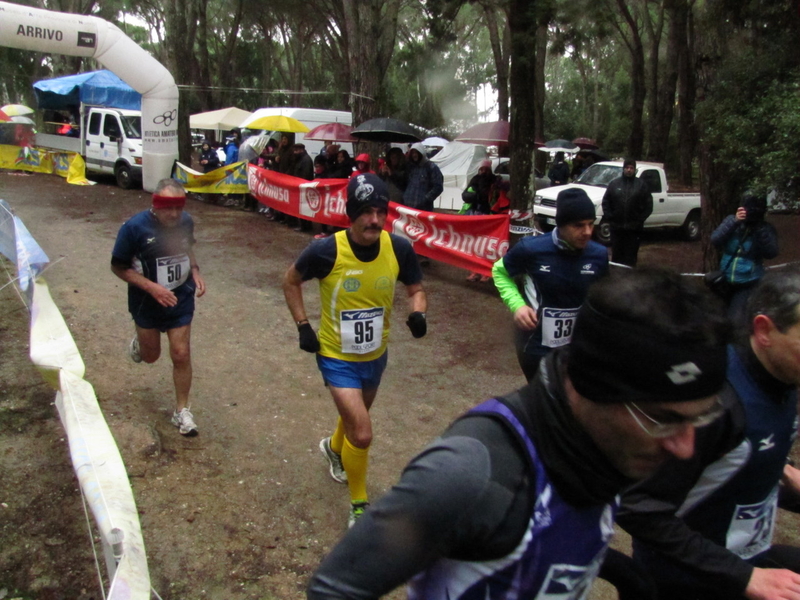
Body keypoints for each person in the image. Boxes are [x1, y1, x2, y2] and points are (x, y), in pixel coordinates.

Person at [306, 267, 730, 599]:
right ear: (593, 388)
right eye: (663, 419)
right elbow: (336, 588)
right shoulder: (470, 473)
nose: (686, 447)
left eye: (699, 419)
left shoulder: (610, 444)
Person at [617, 266, 800, 600]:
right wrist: (744, 576)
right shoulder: (714, 406)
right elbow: (637, 507)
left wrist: (781, 474)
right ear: (764, 330)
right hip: (684, 584)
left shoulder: (785, 378)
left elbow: (732, 470)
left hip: (746, 565)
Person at [282, 173, 427, 527]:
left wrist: (418, 312)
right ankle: (359, 506)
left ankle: (332, 449)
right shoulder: (326, 250)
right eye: (366, 211)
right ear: (351, 213)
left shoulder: (399, 248)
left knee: (353, 420)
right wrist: (303, 326)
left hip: (375, 356)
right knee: (361, 432)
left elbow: (415, 289)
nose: (374, 219)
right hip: (336, 356)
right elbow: (290, 281)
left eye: (381, 211)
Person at [110, 179, 206, 436]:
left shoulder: (185, 222)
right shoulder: (134, 228)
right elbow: (118, 267)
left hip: (180, 297)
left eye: (179, 207)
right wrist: (152, 288)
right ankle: (140, 345)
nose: (174, 214)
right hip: (147, 301)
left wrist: (194, 271)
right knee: (151, 356)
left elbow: (187, 248)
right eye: (168, 208)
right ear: (155, 204)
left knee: (181, 353)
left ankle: (182, 411)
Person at [492, 188, 609, 381]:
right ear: (561, 224)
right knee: (544, 401)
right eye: (579, 226)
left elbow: (603, 294)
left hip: (579, 346)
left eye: (591, 224)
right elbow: (499, 271)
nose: (587, 232)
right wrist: (517, 306)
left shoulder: (598, 254)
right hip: (536, 345)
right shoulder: (531, 249)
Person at [710, 191, 778, 325]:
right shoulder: (732, 221)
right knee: (718, 317)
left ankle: (735, 345)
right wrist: (735, 222)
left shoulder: (765, 228)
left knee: (736, 320)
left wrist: (759, 228)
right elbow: (715, 240)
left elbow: (771, 252)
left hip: (748, 283)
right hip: (725, 280)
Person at [601, 158, 653, 266]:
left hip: (634, 230)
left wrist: (639, 220)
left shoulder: (641, 185)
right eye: (627, 168)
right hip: (617, 228)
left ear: (634, 170)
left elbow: (648, 205)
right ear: (623, 169)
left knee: (631, 256)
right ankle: (616, 278)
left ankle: (630, 279)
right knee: (617, 256)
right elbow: (606, 201)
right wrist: (610, 216)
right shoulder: (614, 184)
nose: (629, 170)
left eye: (631, 168)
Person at [463, 159, 502, 282]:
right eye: (482, 169)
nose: (483, 171)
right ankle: (474, 271)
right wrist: (472, 196)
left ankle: (486, 272)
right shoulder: (475, 179)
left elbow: (494, 198)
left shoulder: (495, 181)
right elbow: (466, 194)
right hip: (475, 213)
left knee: (487, 244)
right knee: (474, 244)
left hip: (489, 214)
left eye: (486, 169)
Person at [402, 142, 444, 213]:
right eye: (413, 153)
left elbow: (438, 186)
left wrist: (425, 199)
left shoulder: (431, 167)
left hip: (423, 209)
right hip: (408, 207)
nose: (414, 155)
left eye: (416, 152)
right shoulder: (411, 167)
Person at [291, 143, 314, 231]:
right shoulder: (301, 159)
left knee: (304, 207)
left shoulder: (306, 160)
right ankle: (304, 225)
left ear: (301, 150)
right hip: (301, 186)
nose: (295, 152)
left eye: (296, 150)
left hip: (304, 187)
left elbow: (306, 174)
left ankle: (306, 226)